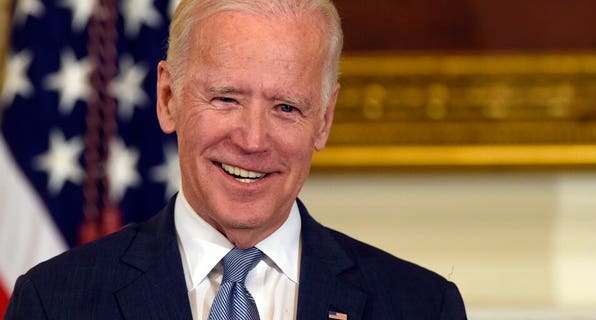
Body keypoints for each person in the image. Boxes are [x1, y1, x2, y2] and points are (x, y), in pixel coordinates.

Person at [5, 0, 467, 319]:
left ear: (324, 119)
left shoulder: (422, 307)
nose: (252, 140)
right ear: (168, 98)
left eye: (286, 107)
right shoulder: (55, 303)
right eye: (226, 98)